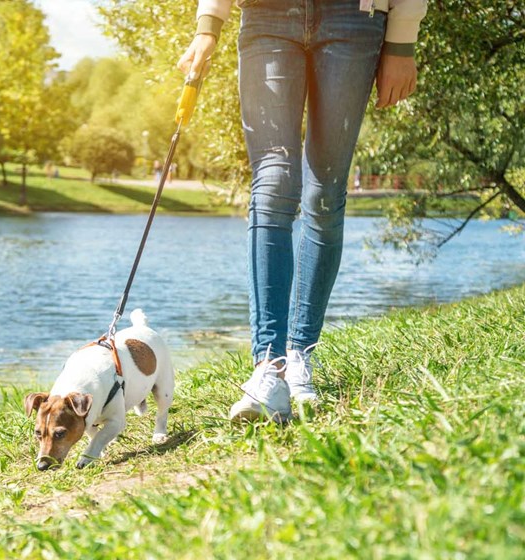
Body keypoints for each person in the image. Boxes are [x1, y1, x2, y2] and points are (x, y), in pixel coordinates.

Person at [177, 0, 426, 422]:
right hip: (266, 15)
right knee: (274, 183)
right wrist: (208, 24)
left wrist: (402, 39)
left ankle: (300, 356)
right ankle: (268, 366)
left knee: (324, 193)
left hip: (355, 17)